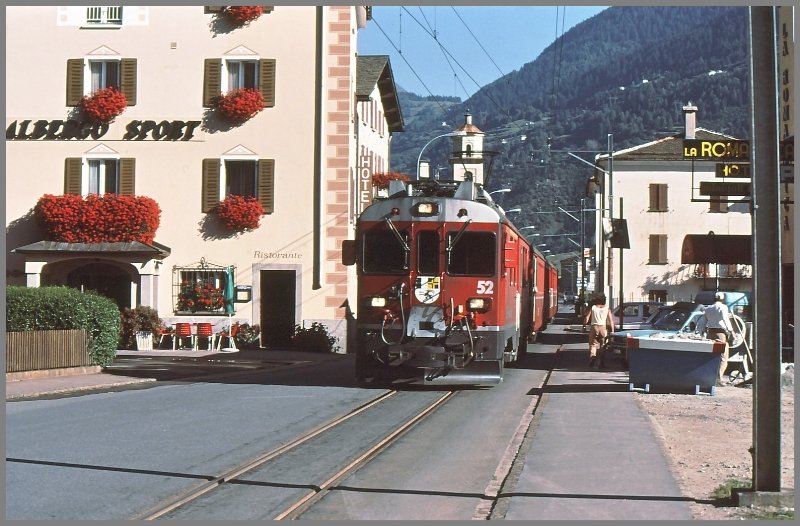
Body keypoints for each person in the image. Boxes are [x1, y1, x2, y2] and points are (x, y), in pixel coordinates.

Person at [696, 291, 735, 385]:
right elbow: (725, 319)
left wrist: (700, 333)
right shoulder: (723, 307)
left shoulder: (708, 308)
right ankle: (718, 379)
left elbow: (702, 322)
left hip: (710, 333)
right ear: (722, 299)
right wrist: (731, 331)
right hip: (720, 333)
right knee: (723, 356)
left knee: (712, 356)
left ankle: (709, 378)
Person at [582, 294, 615, 369]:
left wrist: (584, 326)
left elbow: (587, 318)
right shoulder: (607, 309)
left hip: (594, 327)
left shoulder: (593, 308)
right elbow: (610, 321)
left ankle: (593, 357)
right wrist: (612, 331)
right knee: (603, 346)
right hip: (603, 328)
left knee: (593, 345)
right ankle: (601, 363)